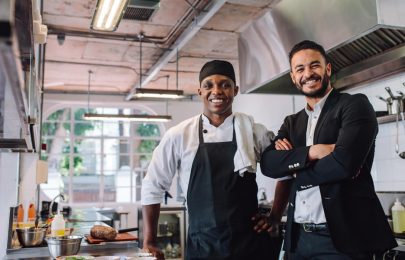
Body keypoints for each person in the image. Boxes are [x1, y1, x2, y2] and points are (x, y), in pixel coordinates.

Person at [260, 40, 397, 259]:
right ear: (294, 77)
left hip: (342, 241)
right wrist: (312, 152)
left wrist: (293, 169)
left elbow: (344, 164)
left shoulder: (353, 105)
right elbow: (268, 164)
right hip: (298, 240)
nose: (308, 73)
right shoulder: (292, 122)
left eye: (315, 65)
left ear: (328, 69)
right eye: (300, 69)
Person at [141, 60, 278, 260]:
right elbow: (153, 185)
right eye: (209, 85)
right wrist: (150, 241)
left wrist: (275, 215)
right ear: (200, 91)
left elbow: (287, 169)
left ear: (235, 90)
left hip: (249, 246)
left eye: (225, 84)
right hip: (202, 246)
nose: (217, 91)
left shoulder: (255, 132)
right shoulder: (179, 135)